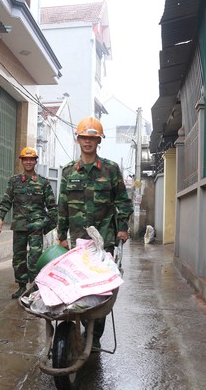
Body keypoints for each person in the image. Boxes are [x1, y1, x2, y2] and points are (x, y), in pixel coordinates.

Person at [57, 116, 133, 349]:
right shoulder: (69, 171)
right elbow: (63, 205)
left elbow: (122, 201)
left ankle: (95, 335)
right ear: (78, 139)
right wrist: (61, 235)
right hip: (77, 241)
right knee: (77, 286)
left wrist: (122, 229)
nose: (87, 141)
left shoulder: (110, 169)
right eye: (84, 137)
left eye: (92, 138)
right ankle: (77, 325)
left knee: (100, 291)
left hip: (104, 241)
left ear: (99, 141)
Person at [0, 147, 58, 299]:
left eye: (31, 159)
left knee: (35, 258)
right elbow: (6, 201)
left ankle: (34, 286)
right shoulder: (14, 181)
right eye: (26, 159)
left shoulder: (43, 183)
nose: (28, 162)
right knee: (18, 258)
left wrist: (46, 226)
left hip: (36, 227)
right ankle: (21, 286)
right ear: (22, 161)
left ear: (36, 161)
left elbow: (52, 207)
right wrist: (0, 217)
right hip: (19, 226)